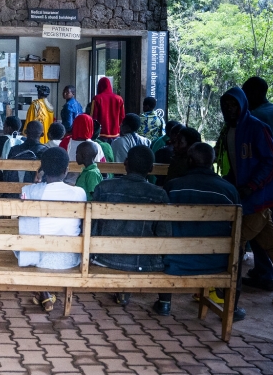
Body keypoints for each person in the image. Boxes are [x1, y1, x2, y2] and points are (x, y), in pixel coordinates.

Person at [216, 87, 273, 307]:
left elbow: (271, 162)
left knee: (234, 243)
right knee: (271, 246)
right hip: (247, 197)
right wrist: (226, 181)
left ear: (243, 104)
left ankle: (222, 293)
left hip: (259, 199)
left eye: (234, 105)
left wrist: (252, 185)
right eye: (226, 106)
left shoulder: (257, 128)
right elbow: (238, 167)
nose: (230, 110)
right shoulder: (230, 131)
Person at [154, 142, 242, 318]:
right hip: (218, 263)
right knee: (237, 247)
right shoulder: (229, 190)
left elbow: (160, 226)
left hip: (175, 261)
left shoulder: (174, 186)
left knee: (164, 236)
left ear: (189, 160)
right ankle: (233, 307)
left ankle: (164, 302)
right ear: (212, 161)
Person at [91, 146, 171, 306]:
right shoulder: (159, 194)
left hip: (105, 258)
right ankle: (164, 303)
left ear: (125, 163)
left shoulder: (104, 187)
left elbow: (92, 226)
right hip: (143, 262)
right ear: (151, 169)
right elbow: (165, 235)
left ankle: (124, 291)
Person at [17, 147, 87, 312]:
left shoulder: (29, 191)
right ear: (66, 170)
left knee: (26, 237)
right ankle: (44, 293)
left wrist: (37, 181)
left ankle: (44, 292)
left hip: (37, 258)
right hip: (70, 258)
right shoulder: (79, 193)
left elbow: (24, 219)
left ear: (42, 169)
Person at [242, 76, 273, 293]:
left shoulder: (256, 116)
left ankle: (265, 274)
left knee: (260, 228)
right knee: (267, 227)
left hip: (260, 182)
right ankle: (263, 270)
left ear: (254, 94)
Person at [65, 114, 103, 183]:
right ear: (90, 127)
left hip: (69, 183)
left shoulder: (66, 143)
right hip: (90, 184)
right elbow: (104, 166)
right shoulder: (96, 146)